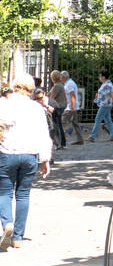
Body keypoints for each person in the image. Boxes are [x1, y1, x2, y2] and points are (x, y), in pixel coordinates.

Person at [0, 74, 52, 249]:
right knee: (23, 194)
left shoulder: (4, 104)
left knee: (4, 192)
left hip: (7, 152)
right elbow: (44, 134)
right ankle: (18, 237)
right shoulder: (37, 109)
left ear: (15, 87)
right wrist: (45, 160)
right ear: (31, 90)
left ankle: (7, 223)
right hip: (30, 155)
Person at [87, 68, 113, 141]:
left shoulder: (107, 85)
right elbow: (104, 95)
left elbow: (112, 95)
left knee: (98, 119)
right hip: (106, 105)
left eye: (100, 76)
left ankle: (92, 136)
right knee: (108, 120)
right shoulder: (105, 84)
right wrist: (97, 98)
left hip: (105, 105)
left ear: (103, 77)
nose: (99, 78)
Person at [61, 70, 84, 145]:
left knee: (62, 123)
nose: (60, 79)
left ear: (64, 77)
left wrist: (72, 107)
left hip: (70, 107)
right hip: (73, 106)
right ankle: (80, 139)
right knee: (75, 123)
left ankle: (60, 140)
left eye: (61, 77)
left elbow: (72, 95)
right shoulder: (69, 83)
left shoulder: (69, 84)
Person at [47, 69, 67, 155]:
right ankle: (61, 143)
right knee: (58, 126)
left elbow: (51, 98)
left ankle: (59, 143)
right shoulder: (60, 85)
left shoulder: (57, 86)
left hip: (57, 108)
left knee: (56, 126)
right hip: (60, 107)